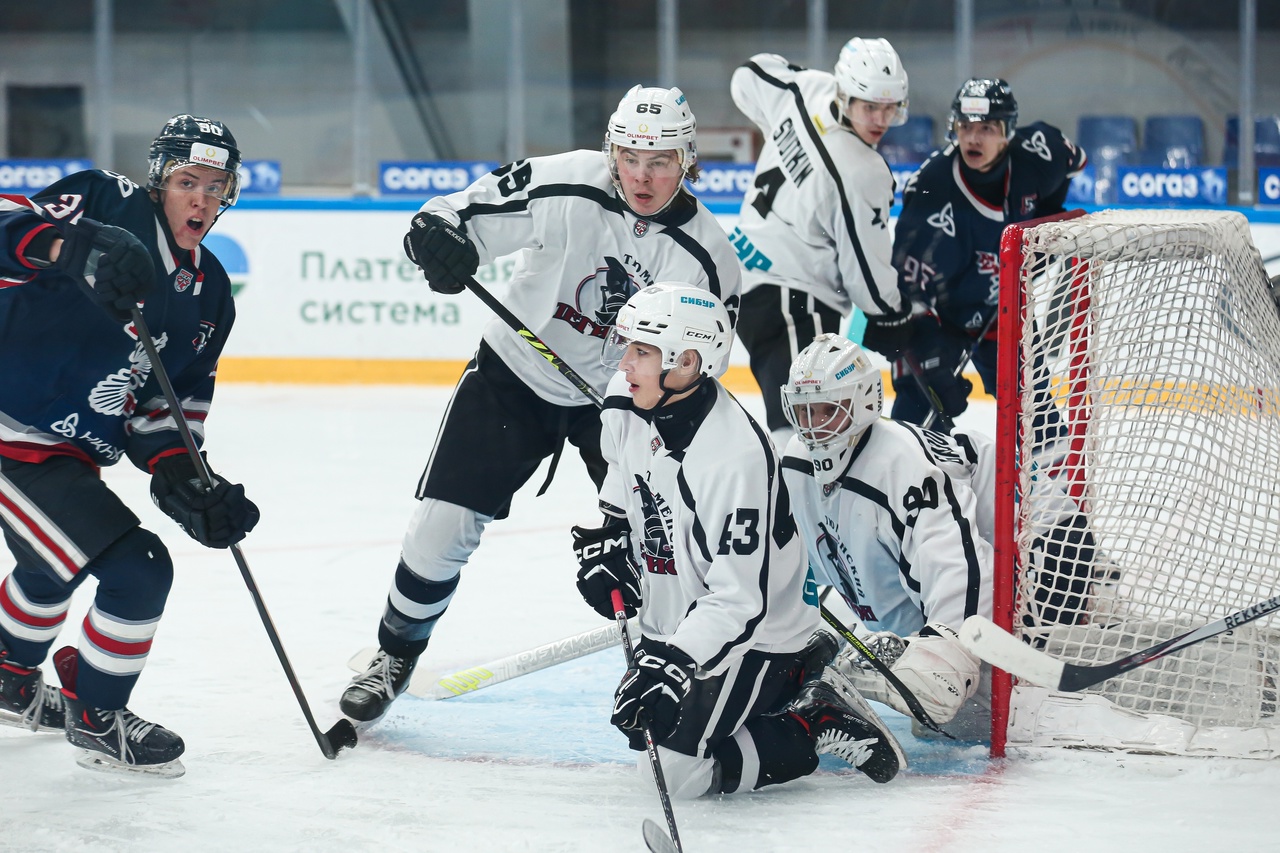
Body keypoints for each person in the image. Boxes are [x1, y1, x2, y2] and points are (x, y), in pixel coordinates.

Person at [340, 85, 743, 723]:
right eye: (630, 156)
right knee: (444, 522)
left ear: (688, 161)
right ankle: (394, 654)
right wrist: (442, 243)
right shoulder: (567, 182)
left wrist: (630, 494)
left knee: (656, 547)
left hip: (624, 404)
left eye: (661, 160)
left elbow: (702, 369)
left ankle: (674, 664)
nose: (641, 174)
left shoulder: (709, 259)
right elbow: (452, 214)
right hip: (515, 374)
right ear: (611, 149)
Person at [0, 114, 260, 776]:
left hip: (63, 449)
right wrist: (67, 248)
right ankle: (98, 714)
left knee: (51, 560)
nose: (200, 198)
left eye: (215, 185)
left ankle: (7, 674)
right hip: (8, 427)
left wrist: (185, 479)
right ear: (158, 183)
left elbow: (167, 408)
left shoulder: (210, 296)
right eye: (186, 181)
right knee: (136, 567)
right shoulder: (105, 203)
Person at [571, 284, 904, 798]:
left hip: (758, 630)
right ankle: (794, 680)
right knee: (647, 731)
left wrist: (675, 660)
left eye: (641, 351)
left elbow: (738, 601)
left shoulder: (734, 458)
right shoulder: (627, 397)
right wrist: (612, 532)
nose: (624, 364)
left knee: (677, 776)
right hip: (680, 609)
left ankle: (810, 718)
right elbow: (622, 469)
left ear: (687, 360)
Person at [778, 333, 1098, 738]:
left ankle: (1064, 697)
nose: (814, 428)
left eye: (828, 411)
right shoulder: (797, 461)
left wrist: (947, 651)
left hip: (1049, 541)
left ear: (863, 404)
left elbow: (959, 567)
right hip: (993, 541)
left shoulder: (902, 465)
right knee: (930, 700)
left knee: (964, 714)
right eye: (804, 412)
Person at [727, 37, 914, 450]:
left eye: (889, 107)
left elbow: (748, 75)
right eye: (869, 106)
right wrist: (891, 313)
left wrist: (776, 122)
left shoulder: (805, 88)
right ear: (844, 94)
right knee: (811, 422)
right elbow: (864, 267)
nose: (880, 119)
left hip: (742, 278)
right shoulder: (863, 171)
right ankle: (791, 512)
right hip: (793, 298)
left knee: (798, 416)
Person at [889, 78, 1088, 428]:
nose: (973, 138)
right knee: (916, 418)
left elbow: (1076, 162)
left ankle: (1049, 483)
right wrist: (929, 359)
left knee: (1037, 421)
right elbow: (906, 292)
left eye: (986, 128)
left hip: (1003, 309)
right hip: (942, 317)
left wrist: (1045, 213)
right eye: (965, 127)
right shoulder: (931, 189)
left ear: (1008, 131)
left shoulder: (1038, 153)